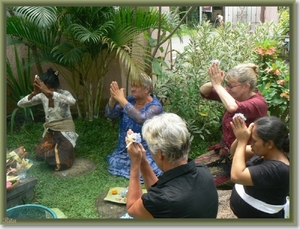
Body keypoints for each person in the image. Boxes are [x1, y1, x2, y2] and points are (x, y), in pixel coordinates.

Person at [125, 113, 219, 218]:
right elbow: (161, 191)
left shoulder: (163, 199)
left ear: (160, 154)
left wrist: (135, 163)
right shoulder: (203, 171)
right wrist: (142, 161)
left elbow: (132, 209)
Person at [195, 63, 268, 189]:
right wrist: (214, 82)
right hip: (223, 153)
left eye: (231, 86)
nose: (227, 89)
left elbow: (234, 107)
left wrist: (219, 86)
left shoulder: (258, 103)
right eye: (226, 85)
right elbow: (204, 91)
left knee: (200, 182)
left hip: (242, 160)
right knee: (189, 170)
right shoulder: (233, 94)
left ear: (246, 87)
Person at [105, 72, 163, 181]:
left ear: (146, 89)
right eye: (132, 86)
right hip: (125, 151)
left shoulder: (155, 107)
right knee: (114, 161)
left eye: (136, 86)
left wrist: (122, 100)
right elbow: (110, 114)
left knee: (150, 168)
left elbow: (141, 119)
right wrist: (113, 99)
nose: (132, 89)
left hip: (146, 151)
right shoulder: (130, 100)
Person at [17, 68, 78, 171]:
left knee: (63, 162)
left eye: (50, 88)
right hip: (51, 131)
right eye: (44, 88)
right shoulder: (41, 96)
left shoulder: (63, 93)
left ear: (55, 87)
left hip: (65, 132)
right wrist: (34, 93)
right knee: (40, 155)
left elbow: (72, 102)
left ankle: (67, 148)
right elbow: (20, 104)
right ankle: (55, 147)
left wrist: (52, 94)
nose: (46, 92)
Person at [229, 115, 289, 218]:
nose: (251, 144)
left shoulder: (278, 169)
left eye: (254, 140)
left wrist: (243, 141)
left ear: (269, 144)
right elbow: (235, 151)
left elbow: (236, 176)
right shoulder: (266, 151)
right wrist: (241, 138)